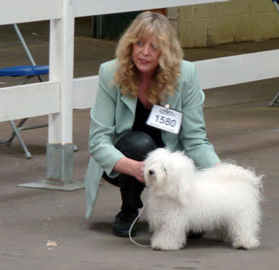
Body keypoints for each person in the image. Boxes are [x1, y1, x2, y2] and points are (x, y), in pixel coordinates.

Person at [84, 11, 221, 238]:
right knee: (139, 143)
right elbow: (98, 141)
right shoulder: (110, 73)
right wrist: (133, 167)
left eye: (154, 47)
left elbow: (195, 139)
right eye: (139, 43)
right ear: (129, 45)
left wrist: (220, 171)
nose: (145, 52)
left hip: (170, 161)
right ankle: (130, 209)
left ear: (166, 53)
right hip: (126, 159)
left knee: (196, 233)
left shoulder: (186, 74)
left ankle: (174, 212)